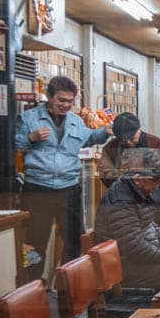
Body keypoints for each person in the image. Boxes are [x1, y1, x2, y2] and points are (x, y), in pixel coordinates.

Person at [16, 75, 111, 281]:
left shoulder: (76, 122)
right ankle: (32, 288)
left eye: (69, 101)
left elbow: (90, 138)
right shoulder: (29, 118)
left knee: (74, 240)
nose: (66, 105)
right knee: (34, 242)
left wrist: (105, 132)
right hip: (38, 188)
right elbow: (14, 145)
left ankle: (67, 288)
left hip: (69, 188)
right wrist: (30, 138)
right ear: (49, 97)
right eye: (61, 100)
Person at [94, 150, 160, 289]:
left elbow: (149, 223)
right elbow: (133, 246)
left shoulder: (138, 191)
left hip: (140, 257)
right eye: (155, 181)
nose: (157, 186)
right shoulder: (121, 200)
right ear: (137, 179)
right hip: (121, 264)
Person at [97, 112, 160, 190]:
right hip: (122, 194)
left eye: (132, 138)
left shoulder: (155, 143)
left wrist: (151, 177)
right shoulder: (110, 148)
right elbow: (105, 173)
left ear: (139, 129)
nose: (128, 142)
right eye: (123, 140)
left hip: (153, 193)